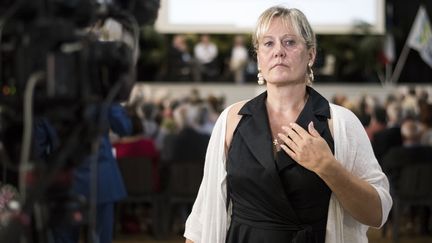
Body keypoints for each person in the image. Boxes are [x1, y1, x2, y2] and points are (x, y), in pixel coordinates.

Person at [184, 6, 392, 243]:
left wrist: (328, 166)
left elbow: (377, 213)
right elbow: (202, 219)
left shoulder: (340, 123)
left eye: (290, 42)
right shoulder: (232, 120)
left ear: (311, 55)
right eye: (268, 43)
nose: (279, 52)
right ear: (258, 56)